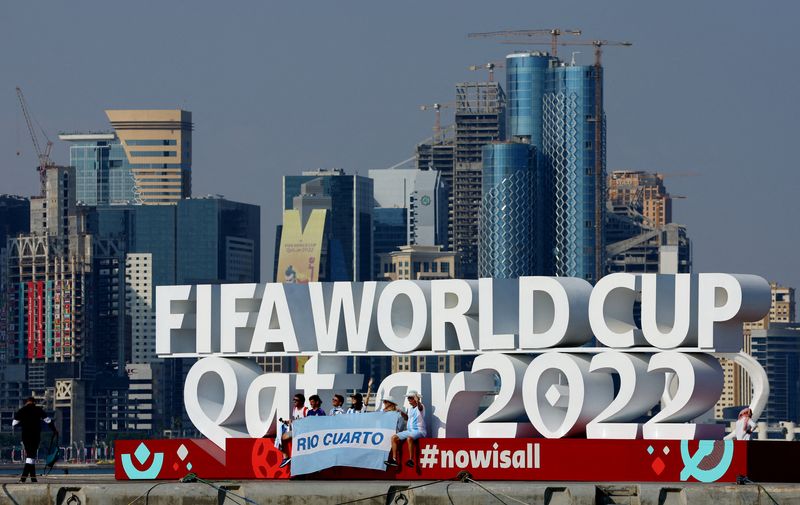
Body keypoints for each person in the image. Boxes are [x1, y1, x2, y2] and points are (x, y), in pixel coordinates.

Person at [13, 396, 57, 483]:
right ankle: (24, 478)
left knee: (30, 455)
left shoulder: (22, 410)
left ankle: (33, 478)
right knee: (31, 456)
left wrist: (25, 423)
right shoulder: (38, 410)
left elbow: (14, 423)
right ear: (34, 402)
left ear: (27, 402)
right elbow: (48, 421)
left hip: (25, 435)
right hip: (35, 435)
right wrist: (54, 430)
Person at [386, 390, 426, 468]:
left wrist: (418, 401)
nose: (408, 399)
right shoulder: (410, 408)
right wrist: (401, 412)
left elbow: (420, 407)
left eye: (410, 398)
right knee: (394, 438)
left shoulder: (421, 406)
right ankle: (394, 460)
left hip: (419, 430)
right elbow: (407, 418)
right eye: (408, 398)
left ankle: (411, 460)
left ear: (415, 399)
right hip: (410, 431)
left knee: (409, 438)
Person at [275, 393, 307, 468]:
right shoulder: (294, 409)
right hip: (296, 431)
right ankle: (285, 457)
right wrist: (288, 422)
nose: (294, 401)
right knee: (280, 438)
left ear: (302, 401)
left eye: (296, 400)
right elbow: (295, 420)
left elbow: (308, 422)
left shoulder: (306, 410)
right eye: (294, 400)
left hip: (303, 432)